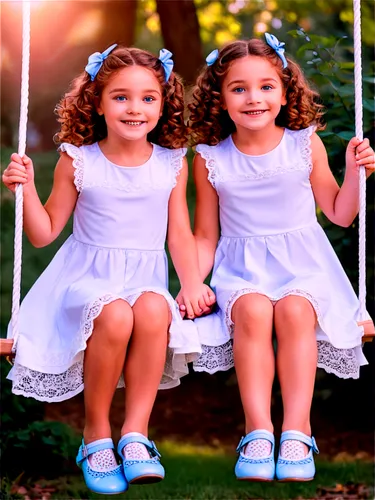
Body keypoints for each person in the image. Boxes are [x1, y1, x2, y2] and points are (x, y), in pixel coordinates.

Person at [2, 44, 214, 495]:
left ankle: (135, 434)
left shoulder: (170, 163)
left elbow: (179, 233)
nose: (134, 108)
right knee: (115, 313)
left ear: (163, 103)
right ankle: (96, 434)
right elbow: (44, 233)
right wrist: (25, 191)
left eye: (147, 97)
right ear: (97, 101)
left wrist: (193, 281)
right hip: (86, 278)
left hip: (144, 278)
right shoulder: (78, 159)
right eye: (120, 96)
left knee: (156, 309)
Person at [178, 33, 375, 482]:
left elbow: (341, 215)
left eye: (267, 86)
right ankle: (258, 430)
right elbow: (206, 235)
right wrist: (192, 281)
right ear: (220, 98)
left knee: (294, 310)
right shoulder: (209, 159)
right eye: (239, 88)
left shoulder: (305, 144)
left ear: (285, 92)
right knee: (250, 310)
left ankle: (297, 431)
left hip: (302, 265)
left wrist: (357, 173)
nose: (254, 98)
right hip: (242, 266)